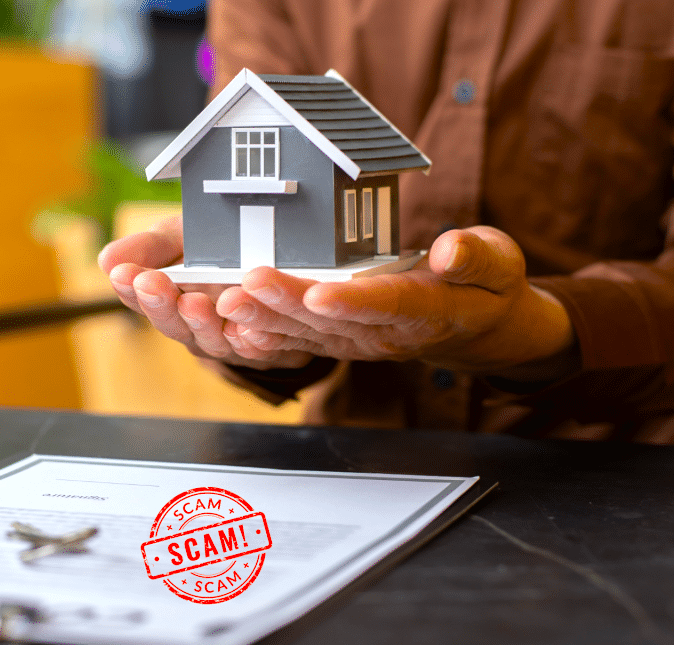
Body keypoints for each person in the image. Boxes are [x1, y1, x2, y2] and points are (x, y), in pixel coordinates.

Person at [99, 0, 674, 443]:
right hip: (358, 466)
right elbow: (252, 117)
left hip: (622, 470)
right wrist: (258, 328)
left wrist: (534, 330)